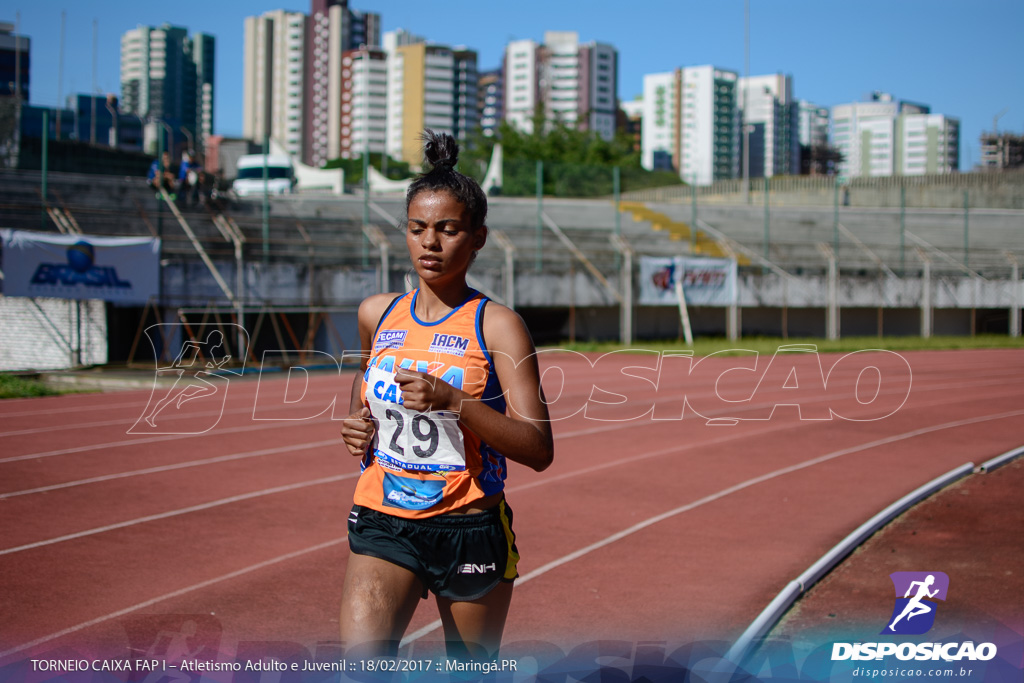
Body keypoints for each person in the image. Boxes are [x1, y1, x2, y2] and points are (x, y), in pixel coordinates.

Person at [339, 130, 554, 661]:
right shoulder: (377, 313)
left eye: (447, 229)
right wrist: (356, 422)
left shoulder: (498, 327)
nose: (429, 243)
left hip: (468, 524)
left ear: (478, 238)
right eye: (417, 229)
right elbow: (365, 382)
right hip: (384, 516)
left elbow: (538, 448)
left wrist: (452, 400)